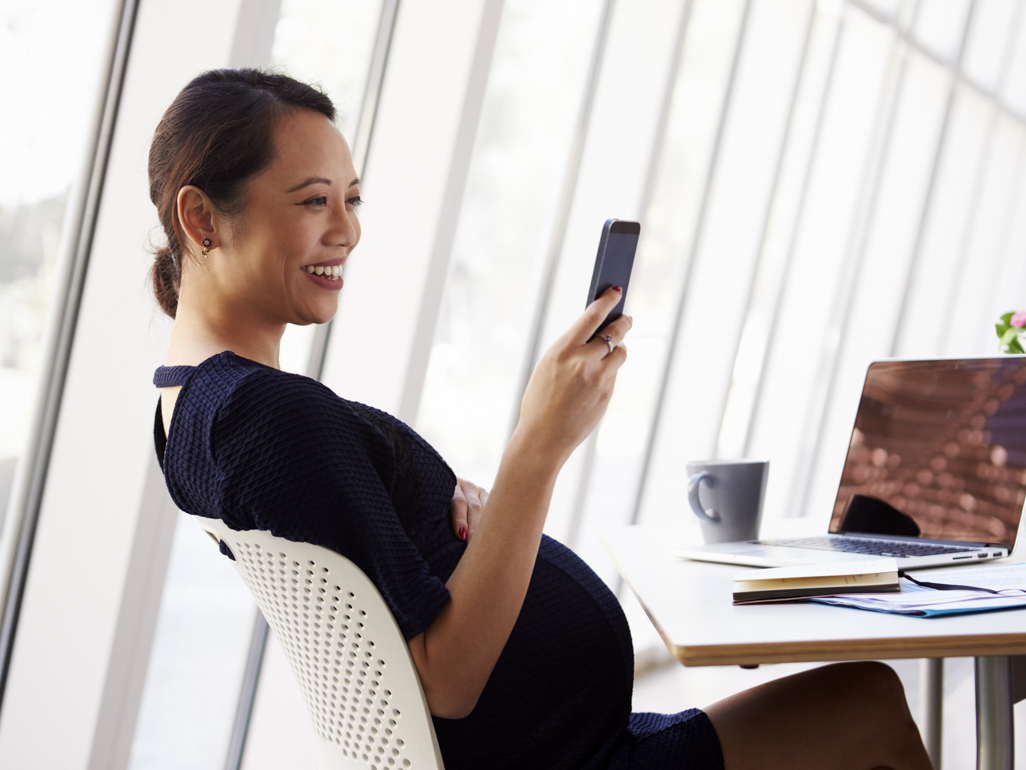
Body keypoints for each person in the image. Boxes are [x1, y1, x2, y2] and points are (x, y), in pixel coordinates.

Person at [149, 69, 933, 770]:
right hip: (563, 758)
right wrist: (540, 445)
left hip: (568, 740)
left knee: (862, 698)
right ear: (201, 219)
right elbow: (446, 680)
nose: (347, 231)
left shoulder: (196, 408)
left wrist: (466, 508)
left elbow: (374, 553)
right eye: (313, 201)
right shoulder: (261, 415)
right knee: (869, 706)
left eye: (352, 200)